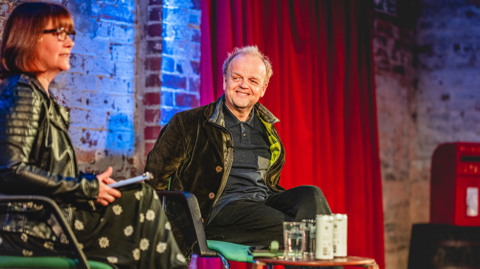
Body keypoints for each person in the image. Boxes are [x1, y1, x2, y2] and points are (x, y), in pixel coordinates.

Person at [0, 3, 187, 269]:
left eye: (71, 35)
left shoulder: (37, 95)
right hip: (31, 229)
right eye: (60, 34)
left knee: (138, 195)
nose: (69, 43)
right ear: (32, 37)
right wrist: (86, 189)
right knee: (141, 201)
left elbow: (42, 170)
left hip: (49, 218)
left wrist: (89, 183)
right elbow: (10, 171)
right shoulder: (23, 93)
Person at [144, 46, 333, 260]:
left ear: (263, 88)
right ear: (225, 80)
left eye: (253, 81)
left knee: (311, 196)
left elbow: (269, 185)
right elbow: (153, 179)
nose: (244, 85)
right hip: (214, 213)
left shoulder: (267, 131)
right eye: (237, 77)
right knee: (303, 233)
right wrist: (164, 226)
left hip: (260, 206)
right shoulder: (188, 123)